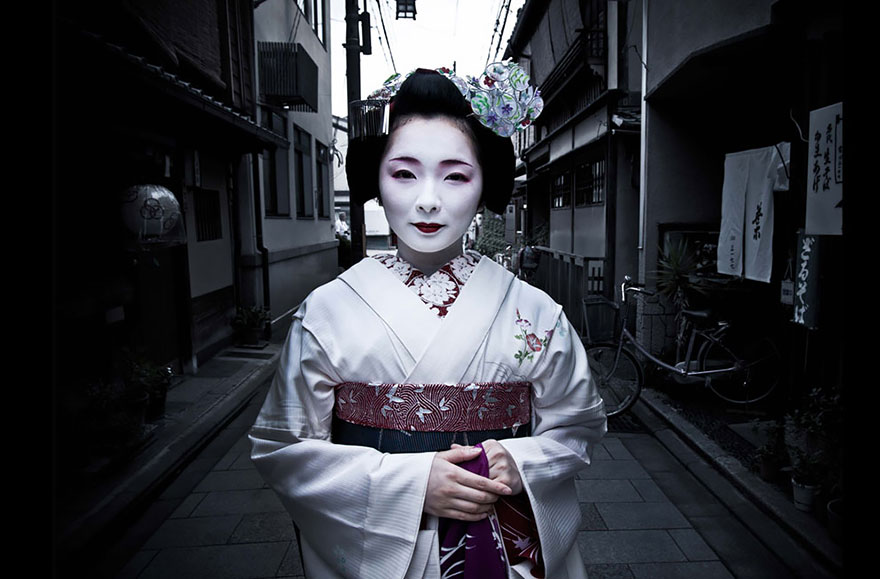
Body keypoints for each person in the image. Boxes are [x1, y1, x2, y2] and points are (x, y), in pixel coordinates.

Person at [249, 63, 607, 579]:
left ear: (486, 185)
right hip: (387, 547)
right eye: (404, 173)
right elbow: (283, 444)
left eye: (456, 175)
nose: (428, 200)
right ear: (376, 179)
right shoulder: (327, 310)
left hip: (501, 539)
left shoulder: (535, 311)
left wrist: (521, 461)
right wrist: (412, 483)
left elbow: (578, 423)